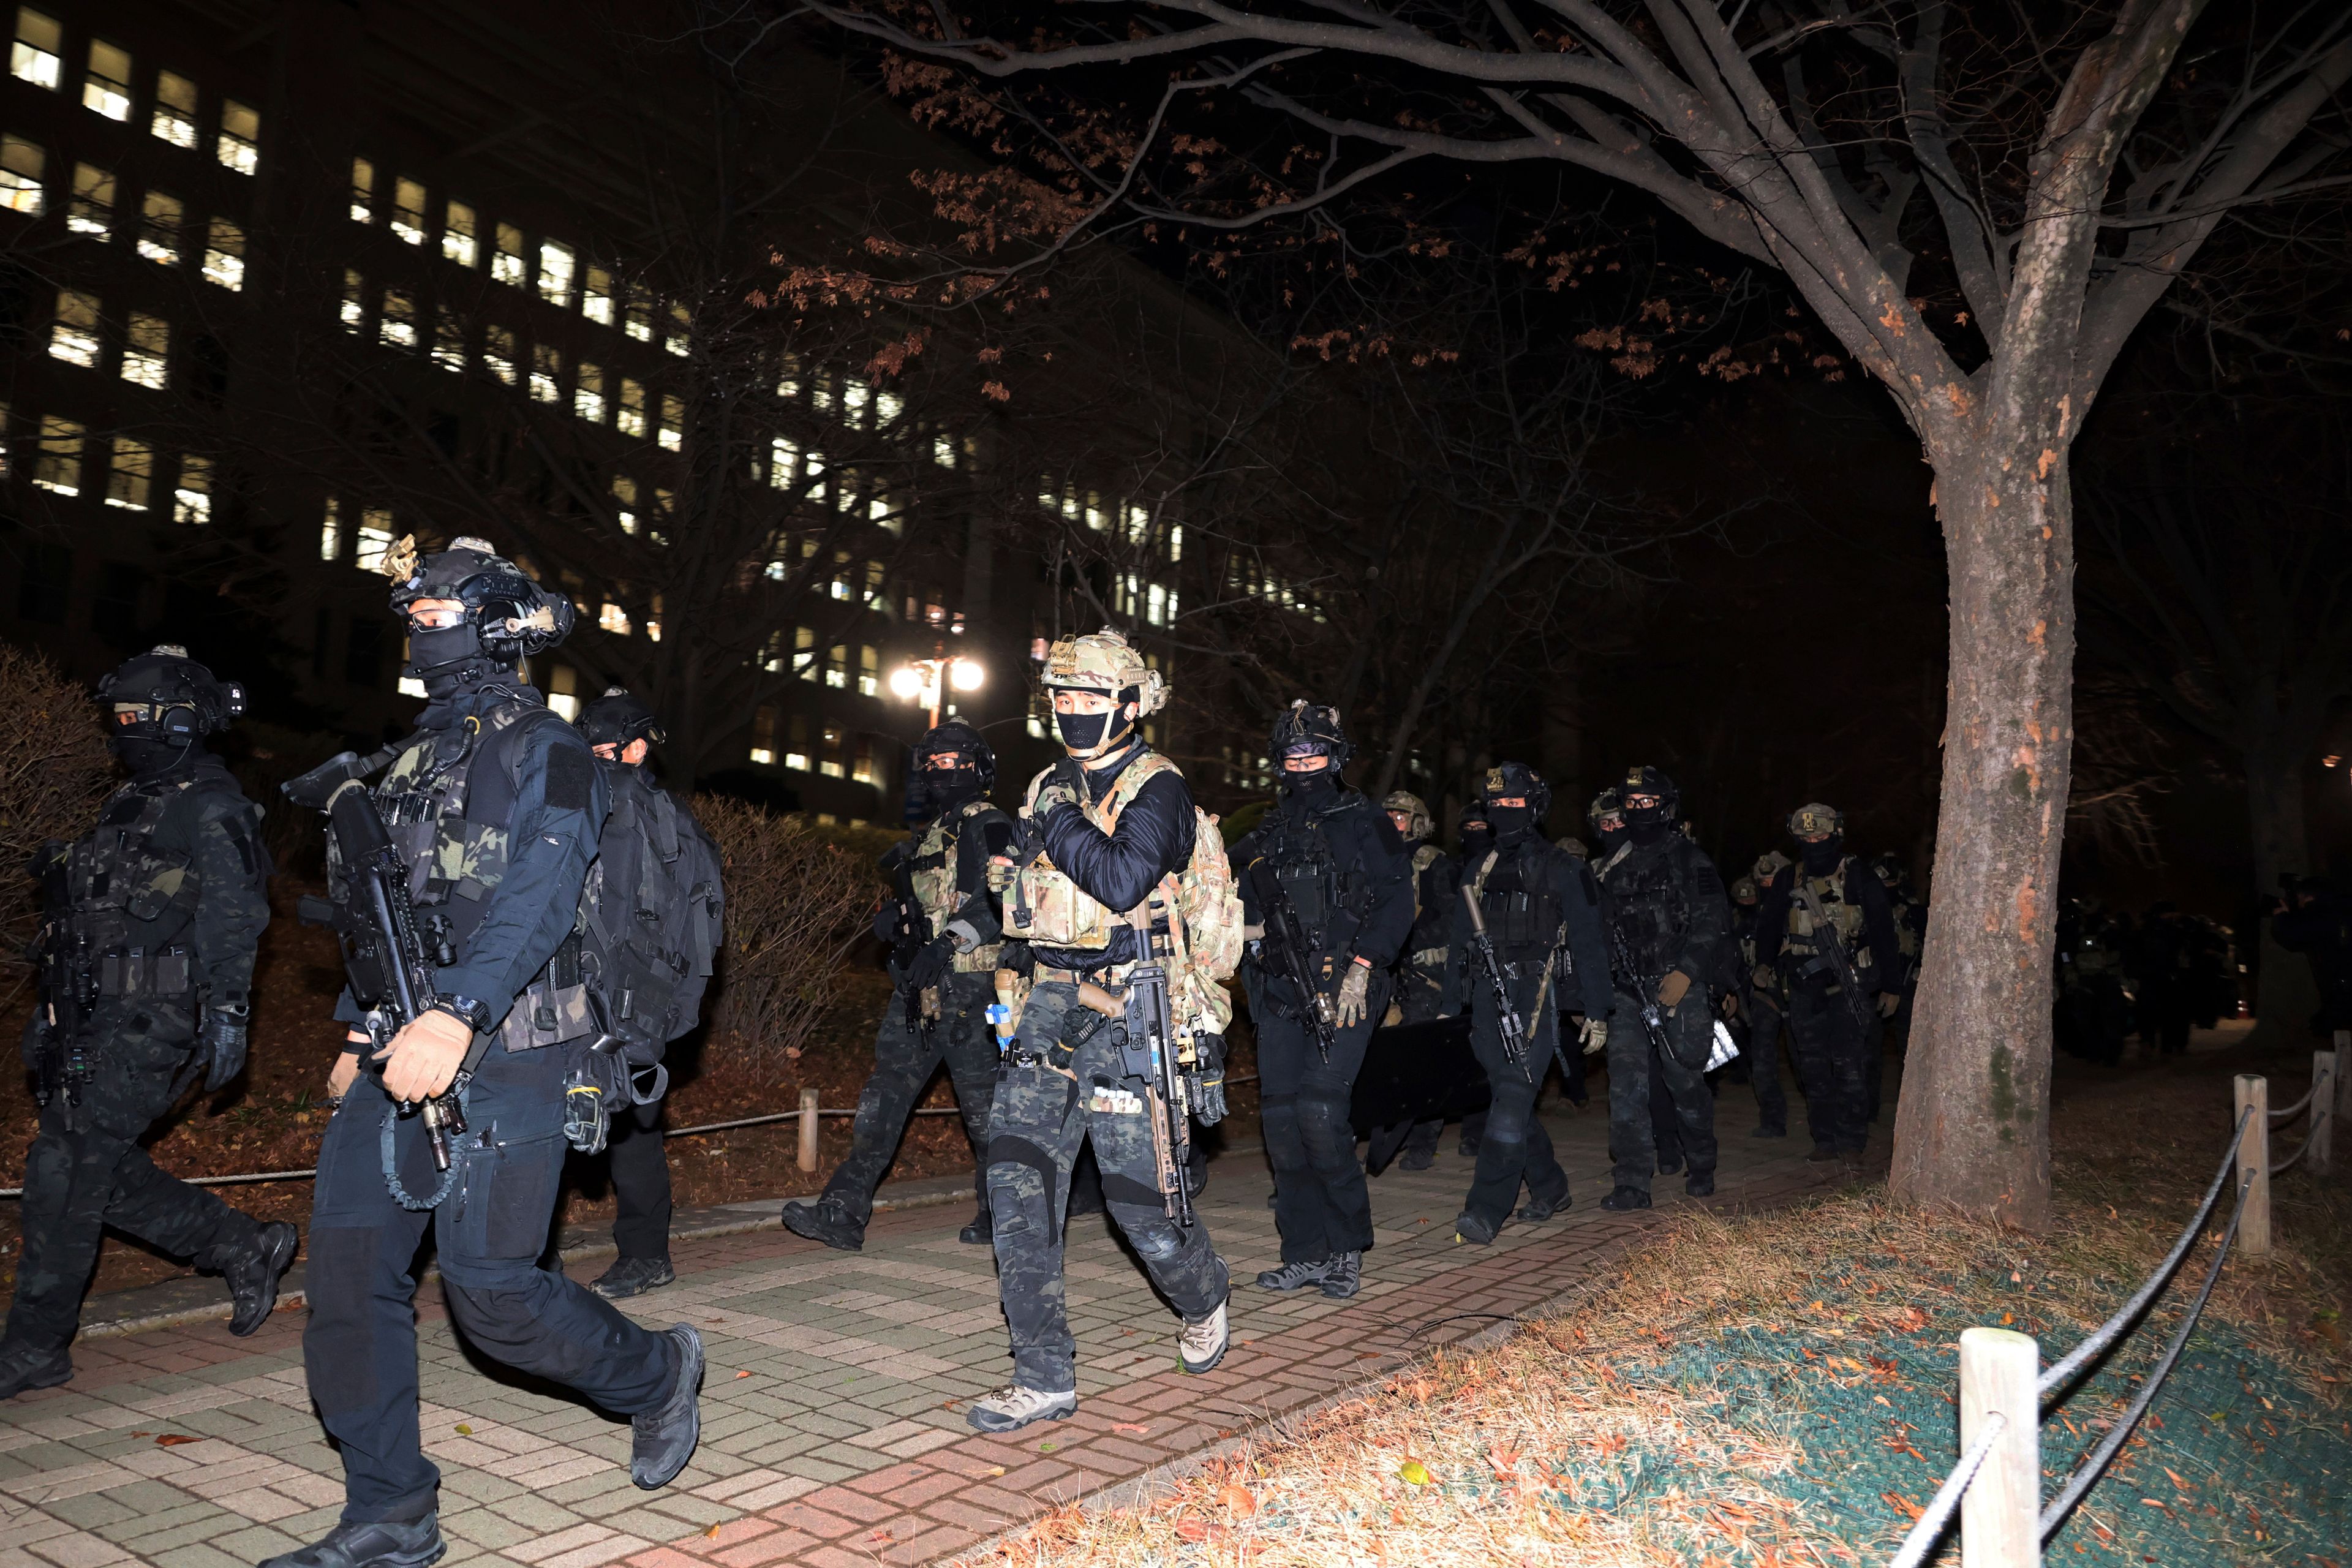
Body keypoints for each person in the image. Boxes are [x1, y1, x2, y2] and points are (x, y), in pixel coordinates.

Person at [274, 537, 700, 1568]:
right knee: (346, 1280)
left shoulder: (548, 747)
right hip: (400, 1041)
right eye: (410, 617)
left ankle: (656, 1376)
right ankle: (389, 1510)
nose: (417, 633)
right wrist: (357, 1021)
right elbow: (402, 906)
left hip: (515, 1046)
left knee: (493, 1295)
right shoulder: (417, 752)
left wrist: (456, 1014)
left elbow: (539, 896)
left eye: (435, 615)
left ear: (496, 624)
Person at [2, 647, 295, 1401]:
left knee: (65, 1170)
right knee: (88, 1165)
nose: (127, 729)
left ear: (183, 720)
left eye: (140, 716)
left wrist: (229, 1011)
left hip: (151, 1015)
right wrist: (51, 1008)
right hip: (88, 1013)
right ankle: (240, 1242)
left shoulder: (212, 804)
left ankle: (35, 1346)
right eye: (119, 716)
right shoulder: (129, 802)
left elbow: (237, 914)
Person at [968, 628, 1237, 1433]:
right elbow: (1016, 904)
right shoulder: (1049, 784)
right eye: (1061, 699)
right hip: (1049, 1005)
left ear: (1129, 703)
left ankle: (1205, 1292)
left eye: (1089, 699)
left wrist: (1052, 819)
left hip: (1134, 1010)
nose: (1073, 713)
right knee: (1015, 1184)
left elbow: (1122, 878)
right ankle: (1043, 1375)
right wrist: (1003, 994)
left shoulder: (1162, 790)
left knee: (1143, 1214)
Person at [784, 719, 1012, 1251]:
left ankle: (1005, 1215)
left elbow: (1006, 899)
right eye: (930, 764)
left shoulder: (989, 824)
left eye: (950, 762)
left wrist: (948, 942)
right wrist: (896, 925)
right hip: (921, 989)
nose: (939, 772)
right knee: (883, 1099)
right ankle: (842, 1210)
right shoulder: (935, 832)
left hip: (974, 988)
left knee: (986, 1112)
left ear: (977, 767)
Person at [1234, 704, 1412, 1298]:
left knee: (1320, 1114)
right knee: (1282, 1124)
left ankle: (1345, 1247)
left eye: (1313, 753)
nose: (1302, 763)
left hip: (1345, 989)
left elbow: (1397, 900)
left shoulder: (1368, 820)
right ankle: (1304, 1252)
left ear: (1335, 757)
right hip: (1281, 992)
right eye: (1292, 755)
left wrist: (1365, 966)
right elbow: (1236, 903)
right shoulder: (1268, 830)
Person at [573, 689, 723, 1300]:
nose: (596, 759)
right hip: (610, 992)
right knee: (603, 1119)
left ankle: (644, 1254)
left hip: (627, 996)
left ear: (636, 747)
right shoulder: (648, 808)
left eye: (605, 749)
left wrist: (666, 1005)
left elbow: (693, 914)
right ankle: (635, 1254)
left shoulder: (647, 812)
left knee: (630, 1123)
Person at [1442, 763, 1613, 1243]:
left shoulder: (1565, 868)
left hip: (1537, 995)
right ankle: (1550, 1186)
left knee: (1514, 1096)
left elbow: (1589, 941)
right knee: (1507, 1099)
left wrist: (1595, 1009)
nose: (1505, 812)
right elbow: (1459, 941)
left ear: (1535, 808)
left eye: (1515, 804)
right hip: (1486, 997)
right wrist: (1448, 1003)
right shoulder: (1480, 867)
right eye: (1497, 805)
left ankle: (1485, 1209)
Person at [1593, 767, 1729, 1210]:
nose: (1639, 810)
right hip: (1628, 990)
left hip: (1677, 986)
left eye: (1647, 802)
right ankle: (1632, 1181)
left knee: (1684, 1079)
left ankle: (1703, 1161)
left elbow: (1712, 921)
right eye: (1631, 804)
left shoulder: (1691, 859)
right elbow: (1597, 931)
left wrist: (1687, 973)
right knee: (1626, 1086)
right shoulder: (1612, 867)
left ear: (1666, 806)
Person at [1752, 803, 1899, 1167]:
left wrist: (1892, 985)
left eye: (1820, 836)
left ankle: (1852, 1138)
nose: (1814, 843)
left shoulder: (1857, 873)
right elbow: (1770, 924)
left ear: (1835, 834)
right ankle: (1825, 1138)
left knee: (1849, 1065)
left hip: (1848, 985)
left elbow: (1883, 931)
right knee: (1811, 1067)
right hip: (1803, 988)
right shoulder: (1790, 877)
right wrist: (1763, 965)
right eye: (1806, 838)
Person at [1366, 790, 1466, 1171]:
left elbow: (1454, 922)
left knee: (1424, 1060)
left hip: (1424, 976)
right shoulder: (1375, 860)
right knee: (1381, 1057)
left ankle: (1423, 1141)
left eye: (1401, 816)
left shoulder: (1434, 864)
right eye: (1388, 815)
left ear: (1418, 822)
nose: (1394, 822)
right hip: (1381, 971)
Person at [1735, 857, 1793, 1138]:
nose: (1768, 887)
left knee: (1805, 1058)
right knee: (1762, 1059)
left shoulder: (1801, 904)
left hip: (1800, 991)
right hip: (1763, 994)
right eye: (1764, 883)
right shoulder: (1751, 914)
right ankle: (1773, 1119)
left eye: (1773, 882)